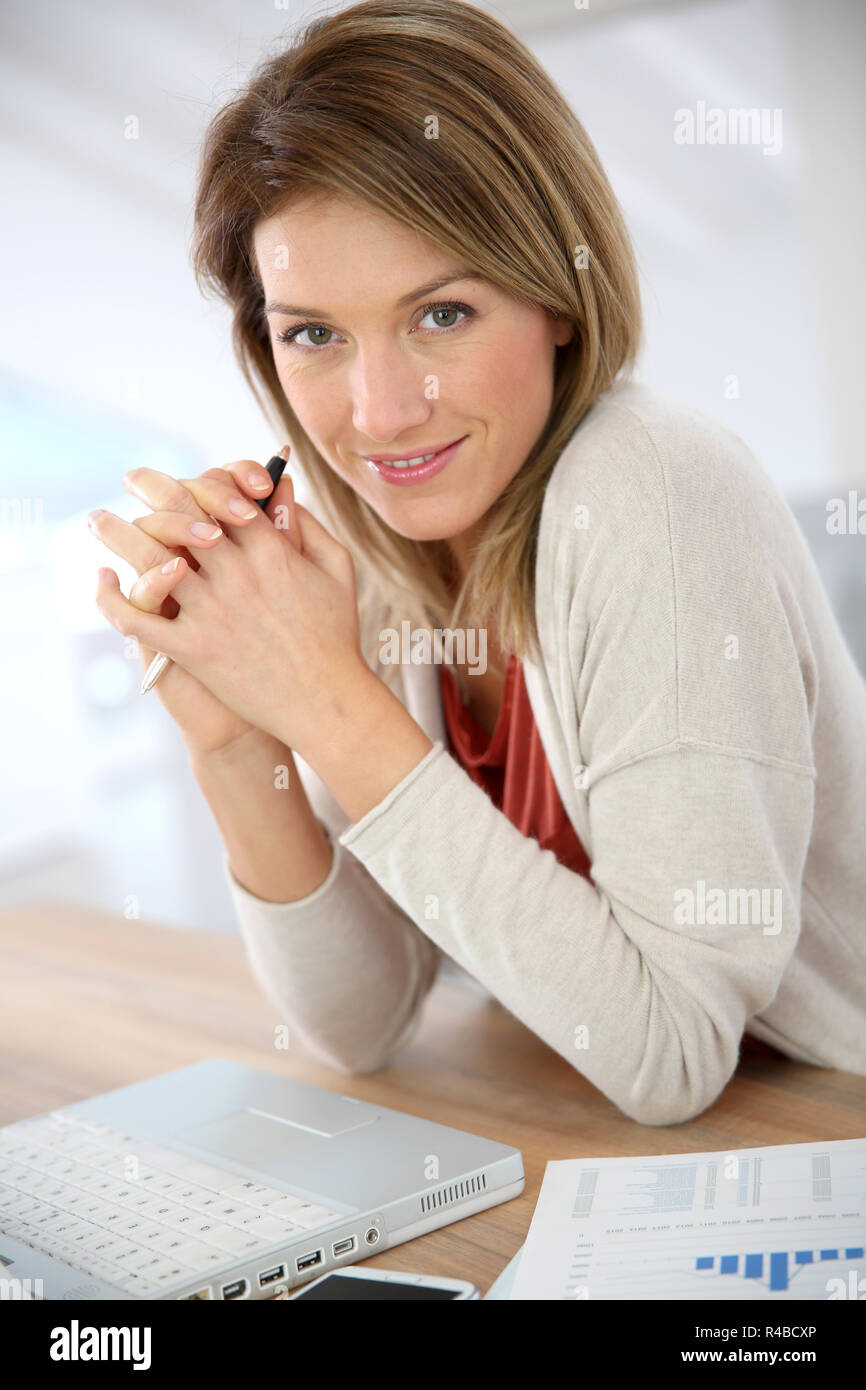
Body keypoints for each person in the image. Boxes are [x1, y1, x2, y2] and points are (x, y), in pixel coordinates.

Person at [90, 0, 866, 1125]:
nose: (381, 413)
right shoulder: (375, 543)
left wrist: (328, 700)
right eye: (313, 333)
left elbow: (669, 1054)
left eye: (441, 313)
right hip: (608, 1129)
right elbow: (357, 1026)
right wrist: (240, 738)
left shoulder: (652, 486)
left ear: (556, 292)